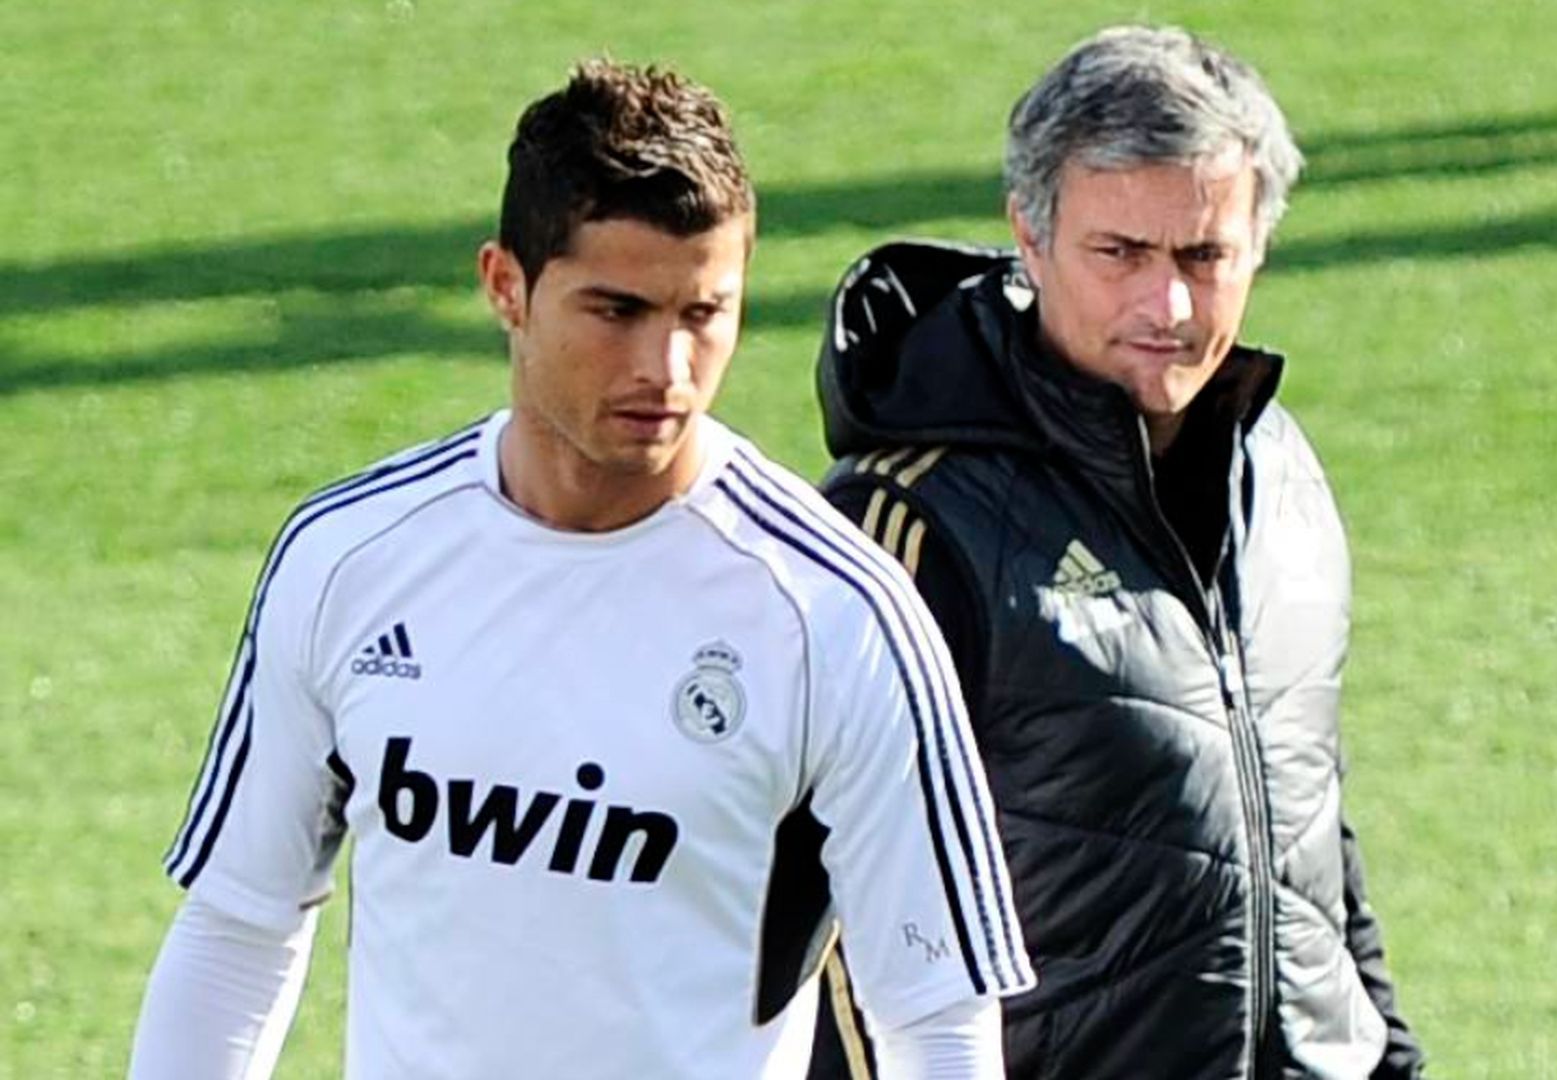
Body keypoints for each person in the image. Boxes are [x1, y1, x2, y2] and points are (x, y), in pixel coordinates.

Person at [128, 59, 1031, 1080]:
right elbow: (237, 932)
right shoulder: (352, 558)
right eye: (617, 312)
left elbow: (939, 1018)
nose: (668, 370)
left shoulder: (838, 613)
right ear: (505, 286)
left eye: (704, 314)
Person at [808, 26, 1425, 1080]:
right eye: (1121, 255)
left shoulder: (1278, 471)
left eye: (1203, 255)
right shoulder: (912, 524)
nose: (1169, 307)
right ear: (1030, 237)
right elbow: (829, 922)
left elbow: (1300, 815)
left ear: (1257, 246)